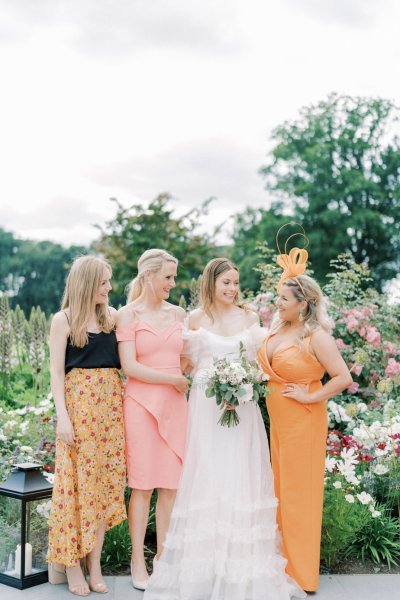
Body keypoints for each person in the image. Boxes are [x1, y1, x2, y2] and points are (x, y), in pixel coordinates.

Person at [144, 257, 306, 600]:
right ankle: (203, 571)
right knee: (208, 477)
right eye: (226, 283)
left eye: (235, 282)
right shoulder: (196, 319)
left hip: (241, 410)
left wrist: (242, 384)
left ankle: (241, 572)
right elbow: (185, 364)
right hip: (205, 411)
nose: (232, 289)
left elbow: (256, 363)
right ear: (211, 283)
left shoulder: (249, 317)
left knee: (239, 478)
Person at [258, 236, 353, 592]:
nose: (277, 303)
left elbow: (343, 377)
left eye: (283, 299)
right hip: (279, 424)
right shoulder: (279, 328)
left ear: (303, 304)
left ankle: (302, 576)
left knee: (299, 495)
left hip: (303, 422)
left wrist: (312, 398)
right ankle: (282, 567)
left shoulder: (317, 336)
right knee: (280, 493)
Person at [47, 255, 126, 596]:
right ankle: (70, 563)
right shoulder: (63, 320)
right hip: (78, 412)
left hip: (110, 412)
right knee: (73, 489)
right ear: (87, 283)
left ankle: (95, 564)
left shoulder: (113, 318)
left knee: (104, 489)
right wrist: (62, 417)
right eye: (104, 282)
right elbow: (55, 374)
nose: (109, 287)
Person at [116, 249, 189, 591]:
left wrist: (183, 376)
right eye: (168, 277)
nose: (173, 284)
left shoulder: (179, 314)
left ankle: (163, 557)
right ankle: (137, 560)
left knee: (170, 486)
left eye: (174, 277)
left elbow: (187, 357)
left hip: (175, 406)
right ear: (148, 276)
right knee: (142, 486)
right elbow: (128, 367)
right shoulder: (127, 315)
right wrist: (171, 379)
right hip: (141, 405)